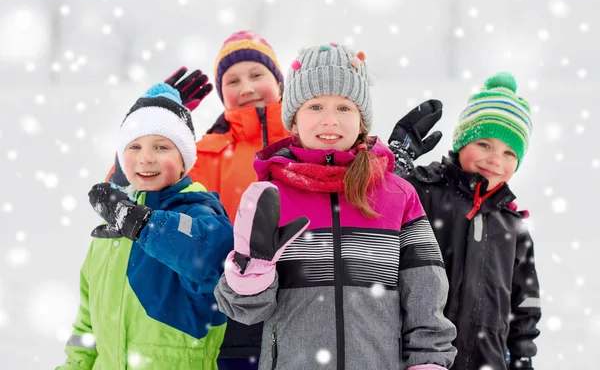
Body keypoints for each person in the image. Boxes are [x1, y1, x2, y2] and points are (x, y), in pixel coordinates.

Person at [215, 43, 457, 369]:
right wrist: (253, 269)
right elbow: (246, 309)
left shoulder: (398, 195)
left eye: (344, 108)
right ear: (294, 121)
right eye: (315, 107)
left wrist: (428, 363)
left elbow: (426, 294)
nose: (329, 120)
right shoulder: (268, 197)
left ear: (361, 122)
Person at [105, 30, 290, 369]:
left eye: (256, 74)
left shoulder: (308, 143)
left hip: (302, 303)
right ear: (222, 94)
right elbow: (130, 193)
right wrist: (151, 124)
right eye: (232, 81)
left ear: (279, 81)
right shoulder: (204, 153)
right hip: (230, 312)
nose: (246, 88)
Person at [57, 83, 233, 369]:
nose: (146, 158)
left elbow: (210, 257)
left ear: (184, 159)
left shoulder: (200, 213)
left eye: (162, 146)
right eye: (134, 146)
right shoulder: (109, 233)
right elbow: (87, 324)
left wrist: (138, 222)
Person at [388, 72, 542, 370]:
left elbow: (525, 306)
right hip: (420, 357)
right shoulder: (423, 191)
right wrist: (396, 163)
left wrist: (522, 358)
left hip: (488, 360)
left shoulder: (512, 226)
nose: (495, 159)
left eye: (509, 152)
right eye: (484, 144)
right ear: (462, 141)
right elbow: (373, 211)